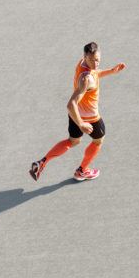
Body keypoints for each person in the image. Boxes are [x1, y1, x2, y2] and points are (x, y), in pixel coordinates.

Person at [30, 42, 125, 182]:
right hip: (90, 117)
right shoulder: (86, 79)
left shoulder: (82, 63)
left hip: (75, 114)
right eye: (91, 60)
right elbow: (71, 104)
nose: (95, 63)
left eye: (97, 59)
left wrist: (111, 71)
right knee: (98, 140)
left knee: (73, 141)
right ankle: (82, 171)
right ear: (85, 57)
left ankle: (42, 162)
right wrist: (81, 124)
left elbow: (95, 73)